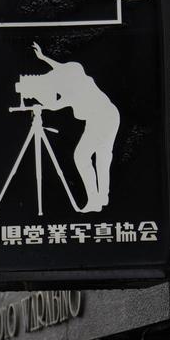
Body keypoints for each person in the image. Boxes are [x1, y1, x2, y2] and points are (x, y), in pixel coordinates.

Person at [29, 42, 120, 213]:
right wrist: (43, 58)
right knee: (103, 157)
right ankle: (102, 197)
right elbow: (60, 68)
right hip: (110, 114)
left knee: (82, 156)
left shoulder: (73, 90)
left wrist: (38, 96)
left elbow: (54, 105)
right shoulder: (76, 72)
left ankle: (94, 201)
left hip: (100, 118)